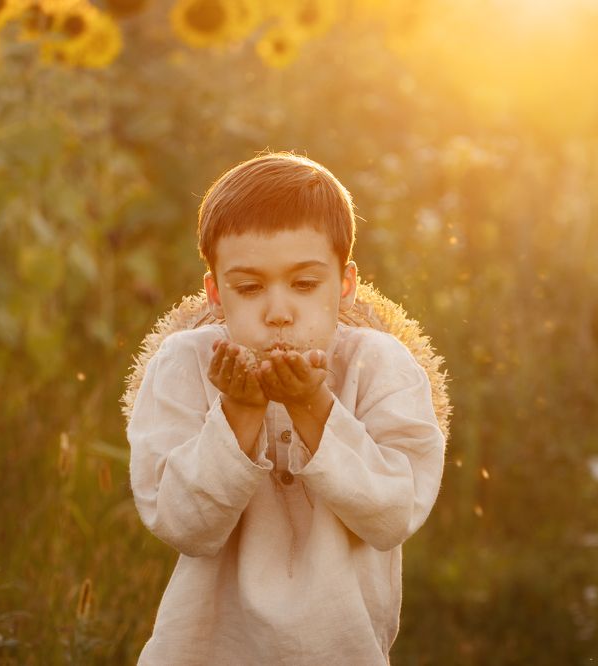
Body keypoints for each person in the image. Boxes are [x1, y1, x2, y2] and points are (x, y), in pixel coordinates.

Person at [125, 151, 447, 664]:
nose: (278, 313)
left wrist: (313, 406)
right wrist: (239, 413)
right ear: (214, 292)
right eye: (249, 287)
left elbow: (391, 514)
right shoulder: (184, 364)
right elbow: (183, 525)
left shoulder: (380, 365)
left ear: (345, 282)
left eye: (304, 284)